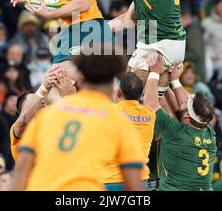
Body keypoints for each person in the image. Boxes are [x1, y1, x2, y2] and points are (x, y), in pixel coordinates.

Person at [12, 46, 145, 191]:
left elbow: (22, 171)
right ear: (116, 87)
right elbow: (134, 186)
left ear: (80, 79)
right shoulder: (119, 121)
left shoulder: (47, 115)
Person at [143, 54, 217, 191]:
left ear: (188, 116)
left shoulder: (176, 132)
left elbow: (150, 104)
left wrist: (154, 73)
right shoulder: (209, 132)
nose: (186, 98)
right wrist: (174, 80)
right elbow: (182, 107)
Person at [104, 72, 155, 191]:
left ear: (118, 92)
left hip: (110, 182)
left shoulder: (109, 111)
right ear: (141, 94)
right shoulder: (150, 114)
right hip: (140, 183)